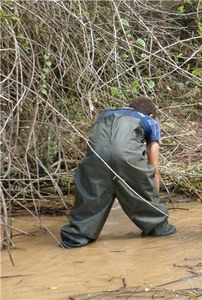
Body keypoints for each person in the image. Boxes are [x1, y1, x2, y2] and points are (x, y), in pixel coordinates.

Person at [60, 97, 176, 248]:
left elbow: (97, 144)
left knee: (92, 197)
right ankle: (157, 228)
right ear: (152, 114)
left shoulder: (104, 115)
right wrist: (154, 200)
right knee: (145, 201)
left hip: (97, 158)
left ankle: (75, 238)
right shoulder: (150, 120)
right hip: (127, 157)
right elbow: (154, 168)